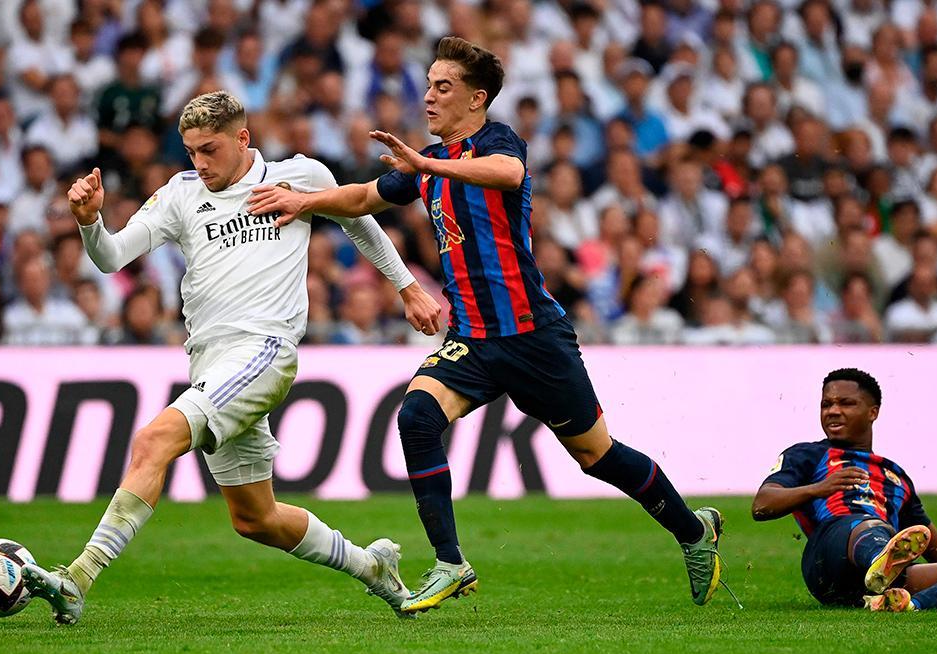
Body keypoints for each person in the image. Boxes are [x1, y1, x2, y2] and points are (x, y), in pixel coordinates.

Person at [250, 37, 728, 614]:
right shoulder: (426, 166)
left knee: (597, 456)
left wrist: (427, 162)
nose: (428, 96)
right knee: (417, 417)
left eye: (443, 87)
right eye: (427, 85)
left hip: (533, 337)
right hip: (473, 339)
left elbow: (508, 172)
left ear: (477, 99)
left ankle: (693, 531)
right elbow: (364, 196)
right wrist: (304, 202)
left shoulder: (495, 142)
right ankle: (451, 563)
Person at [20, 91, 443, 625]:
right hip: (210, 361)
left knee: (153, 440)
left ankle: (77, 579)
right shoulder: (180, 194)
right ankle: (372, 568)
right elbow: (111, 257)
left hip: (265, 349)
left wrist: (408, 289)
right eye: (191, 151)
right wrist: (89, 221)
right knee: (256, 518)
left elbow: (359, 219)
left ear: (243, 138)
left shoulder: (301, 176)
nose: (199, 163)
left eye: (209, 149)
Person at [752, 368, 937, 611]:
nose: (833, 411)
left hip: (866, 586)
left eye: (846, 403)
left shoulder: (896, 477)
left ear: (873, 412)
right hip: (828, 563)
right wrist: (817, 489)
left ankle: (905, 603)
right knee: (866, 524)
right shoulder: (807, 455)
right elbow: (762, 505)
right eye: (826, 404)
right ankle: (881, 561)